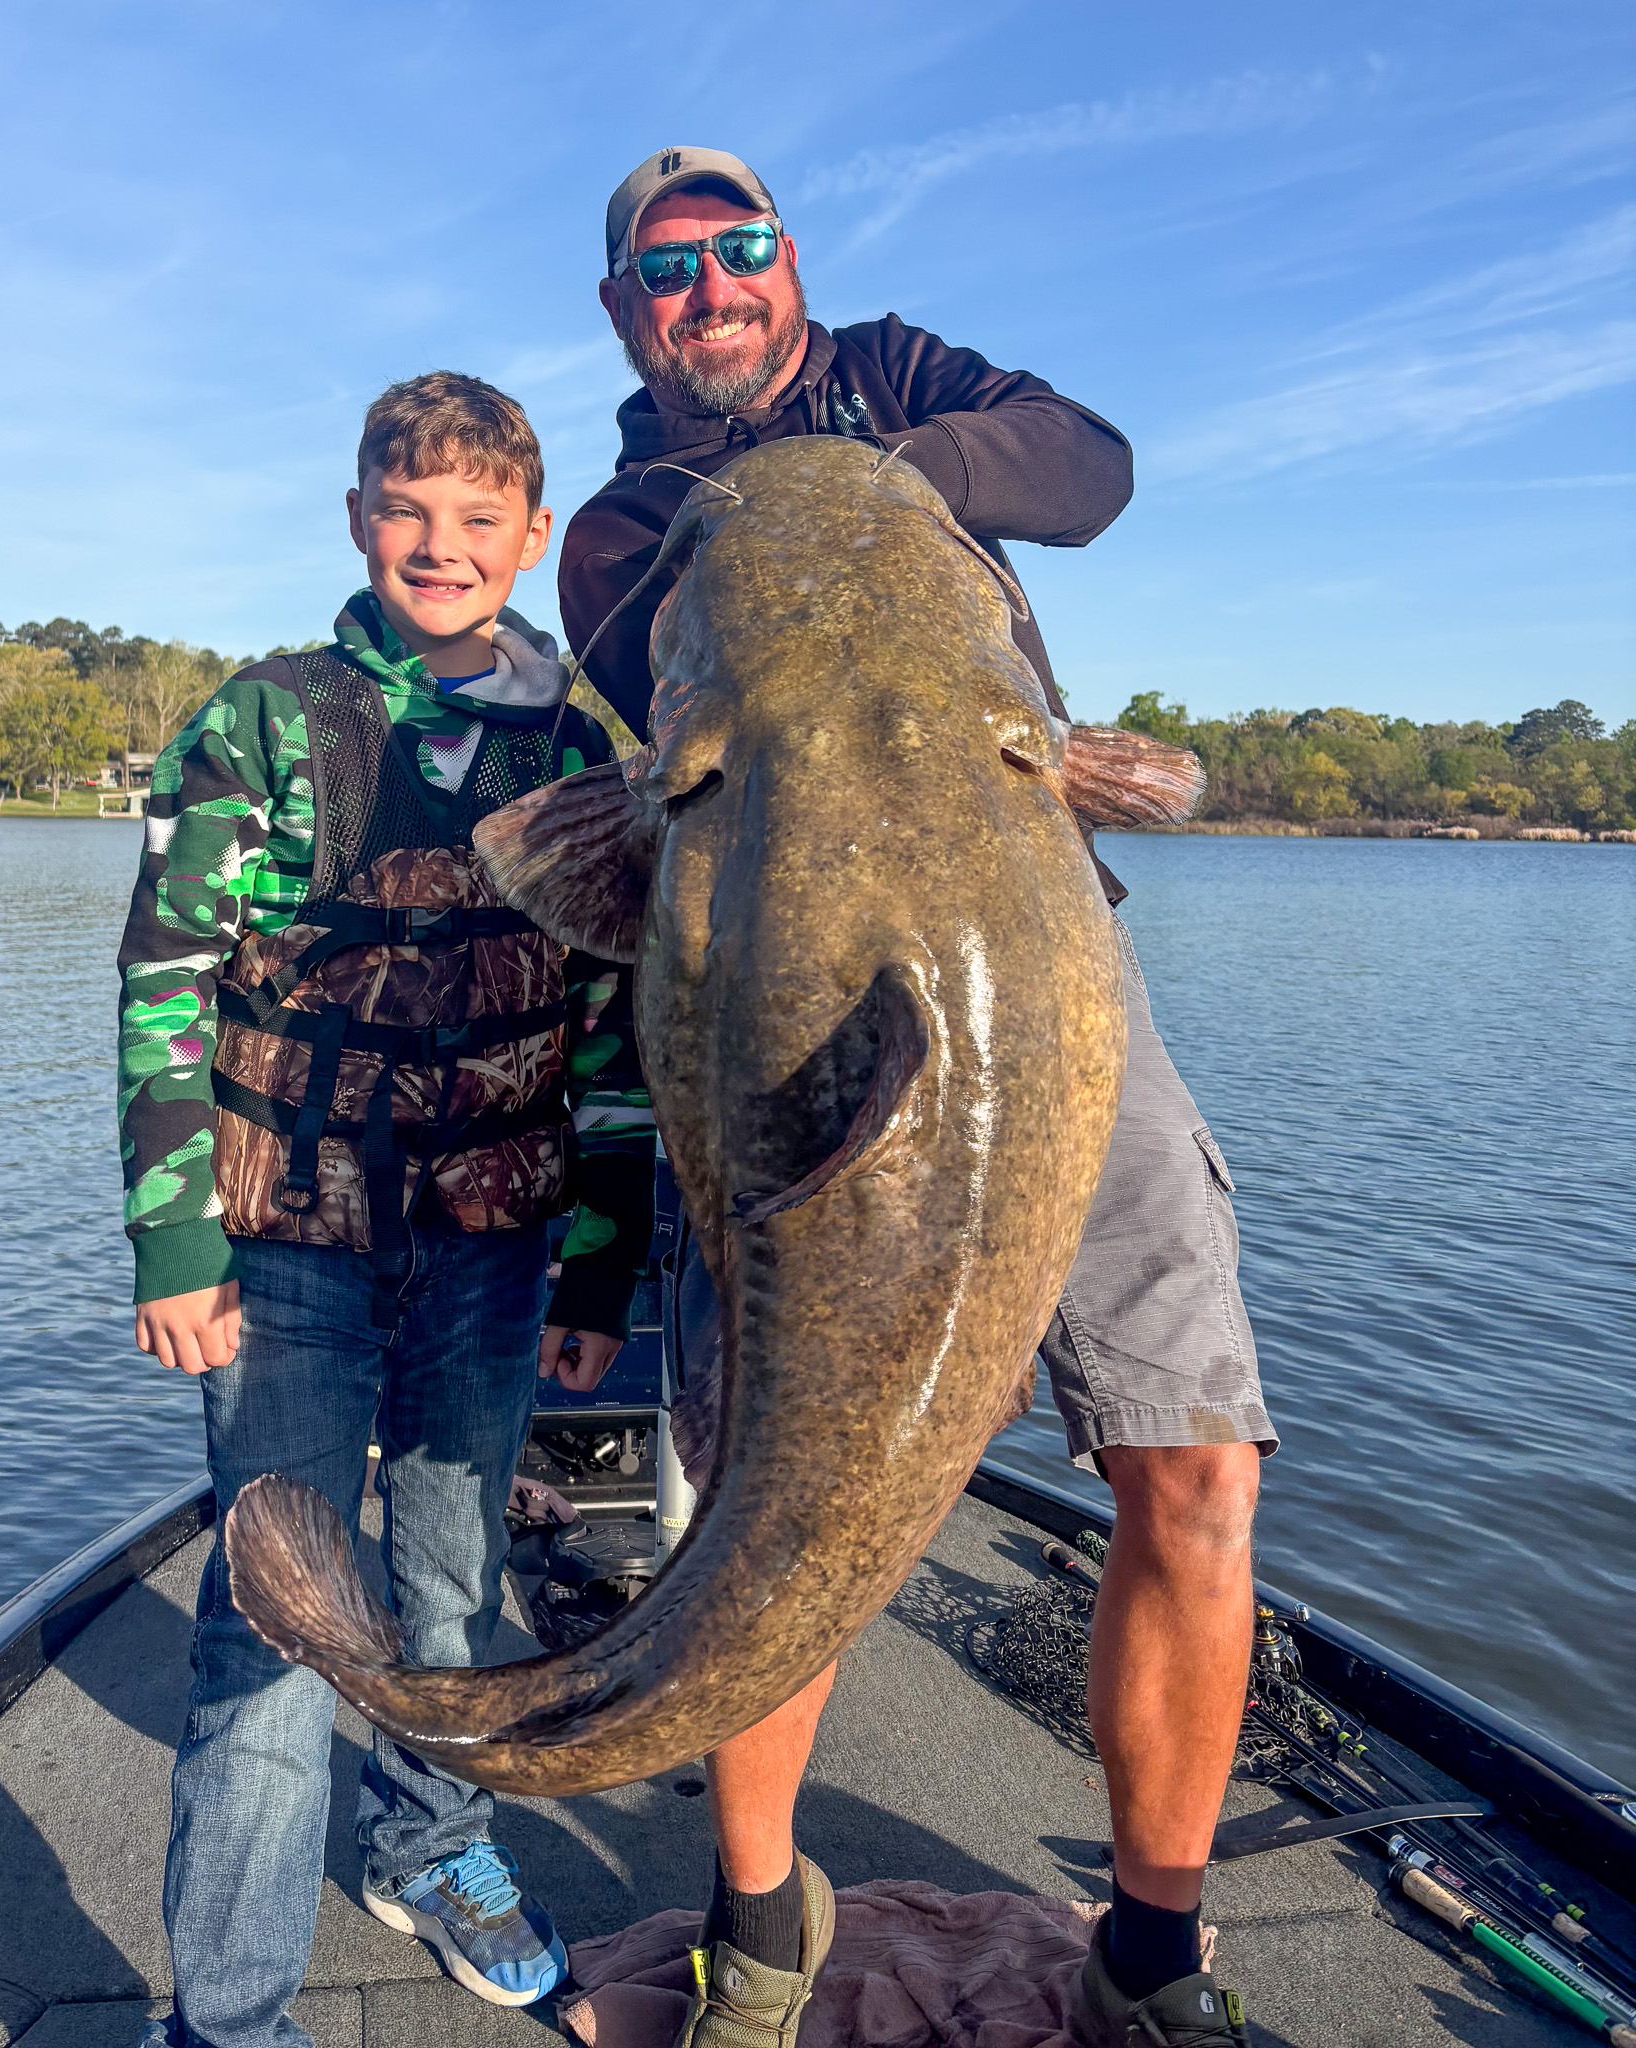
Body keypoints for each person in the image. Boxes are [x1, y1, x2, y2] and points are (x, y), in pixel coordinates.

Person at [558, 149, 1273, 2048]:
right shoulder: (621, 528)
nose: (714, 288)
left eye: (743, 249)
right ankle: (760, 1928)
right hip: (784, 1012)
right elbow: (745, 725)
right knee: (786, 1487)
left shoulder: (895, 375)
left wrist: (908, 475)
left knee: (1196, 1457)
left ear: (792, 267)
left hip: (1053, 975)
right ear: (624, 311)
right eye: (669, 269)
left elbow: (1092, 469)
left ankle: (1153, 1951)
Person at [116, 371, 654, 2048]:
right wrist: (174, 1238)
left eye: (477, 519)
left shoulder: (583, 753)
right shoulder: (264, 721)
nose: (440, 545)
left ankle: (437, 1846)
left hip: (492, 1256)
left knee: (451, 1583)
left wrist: (596, 1271)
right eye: (407, 512)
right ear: (360, 521)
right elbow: (165, 983)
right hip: (282, 1251)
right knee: (273, 1630)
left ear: (529, 537)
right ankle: (232, 2015)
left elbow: (611, 1034)